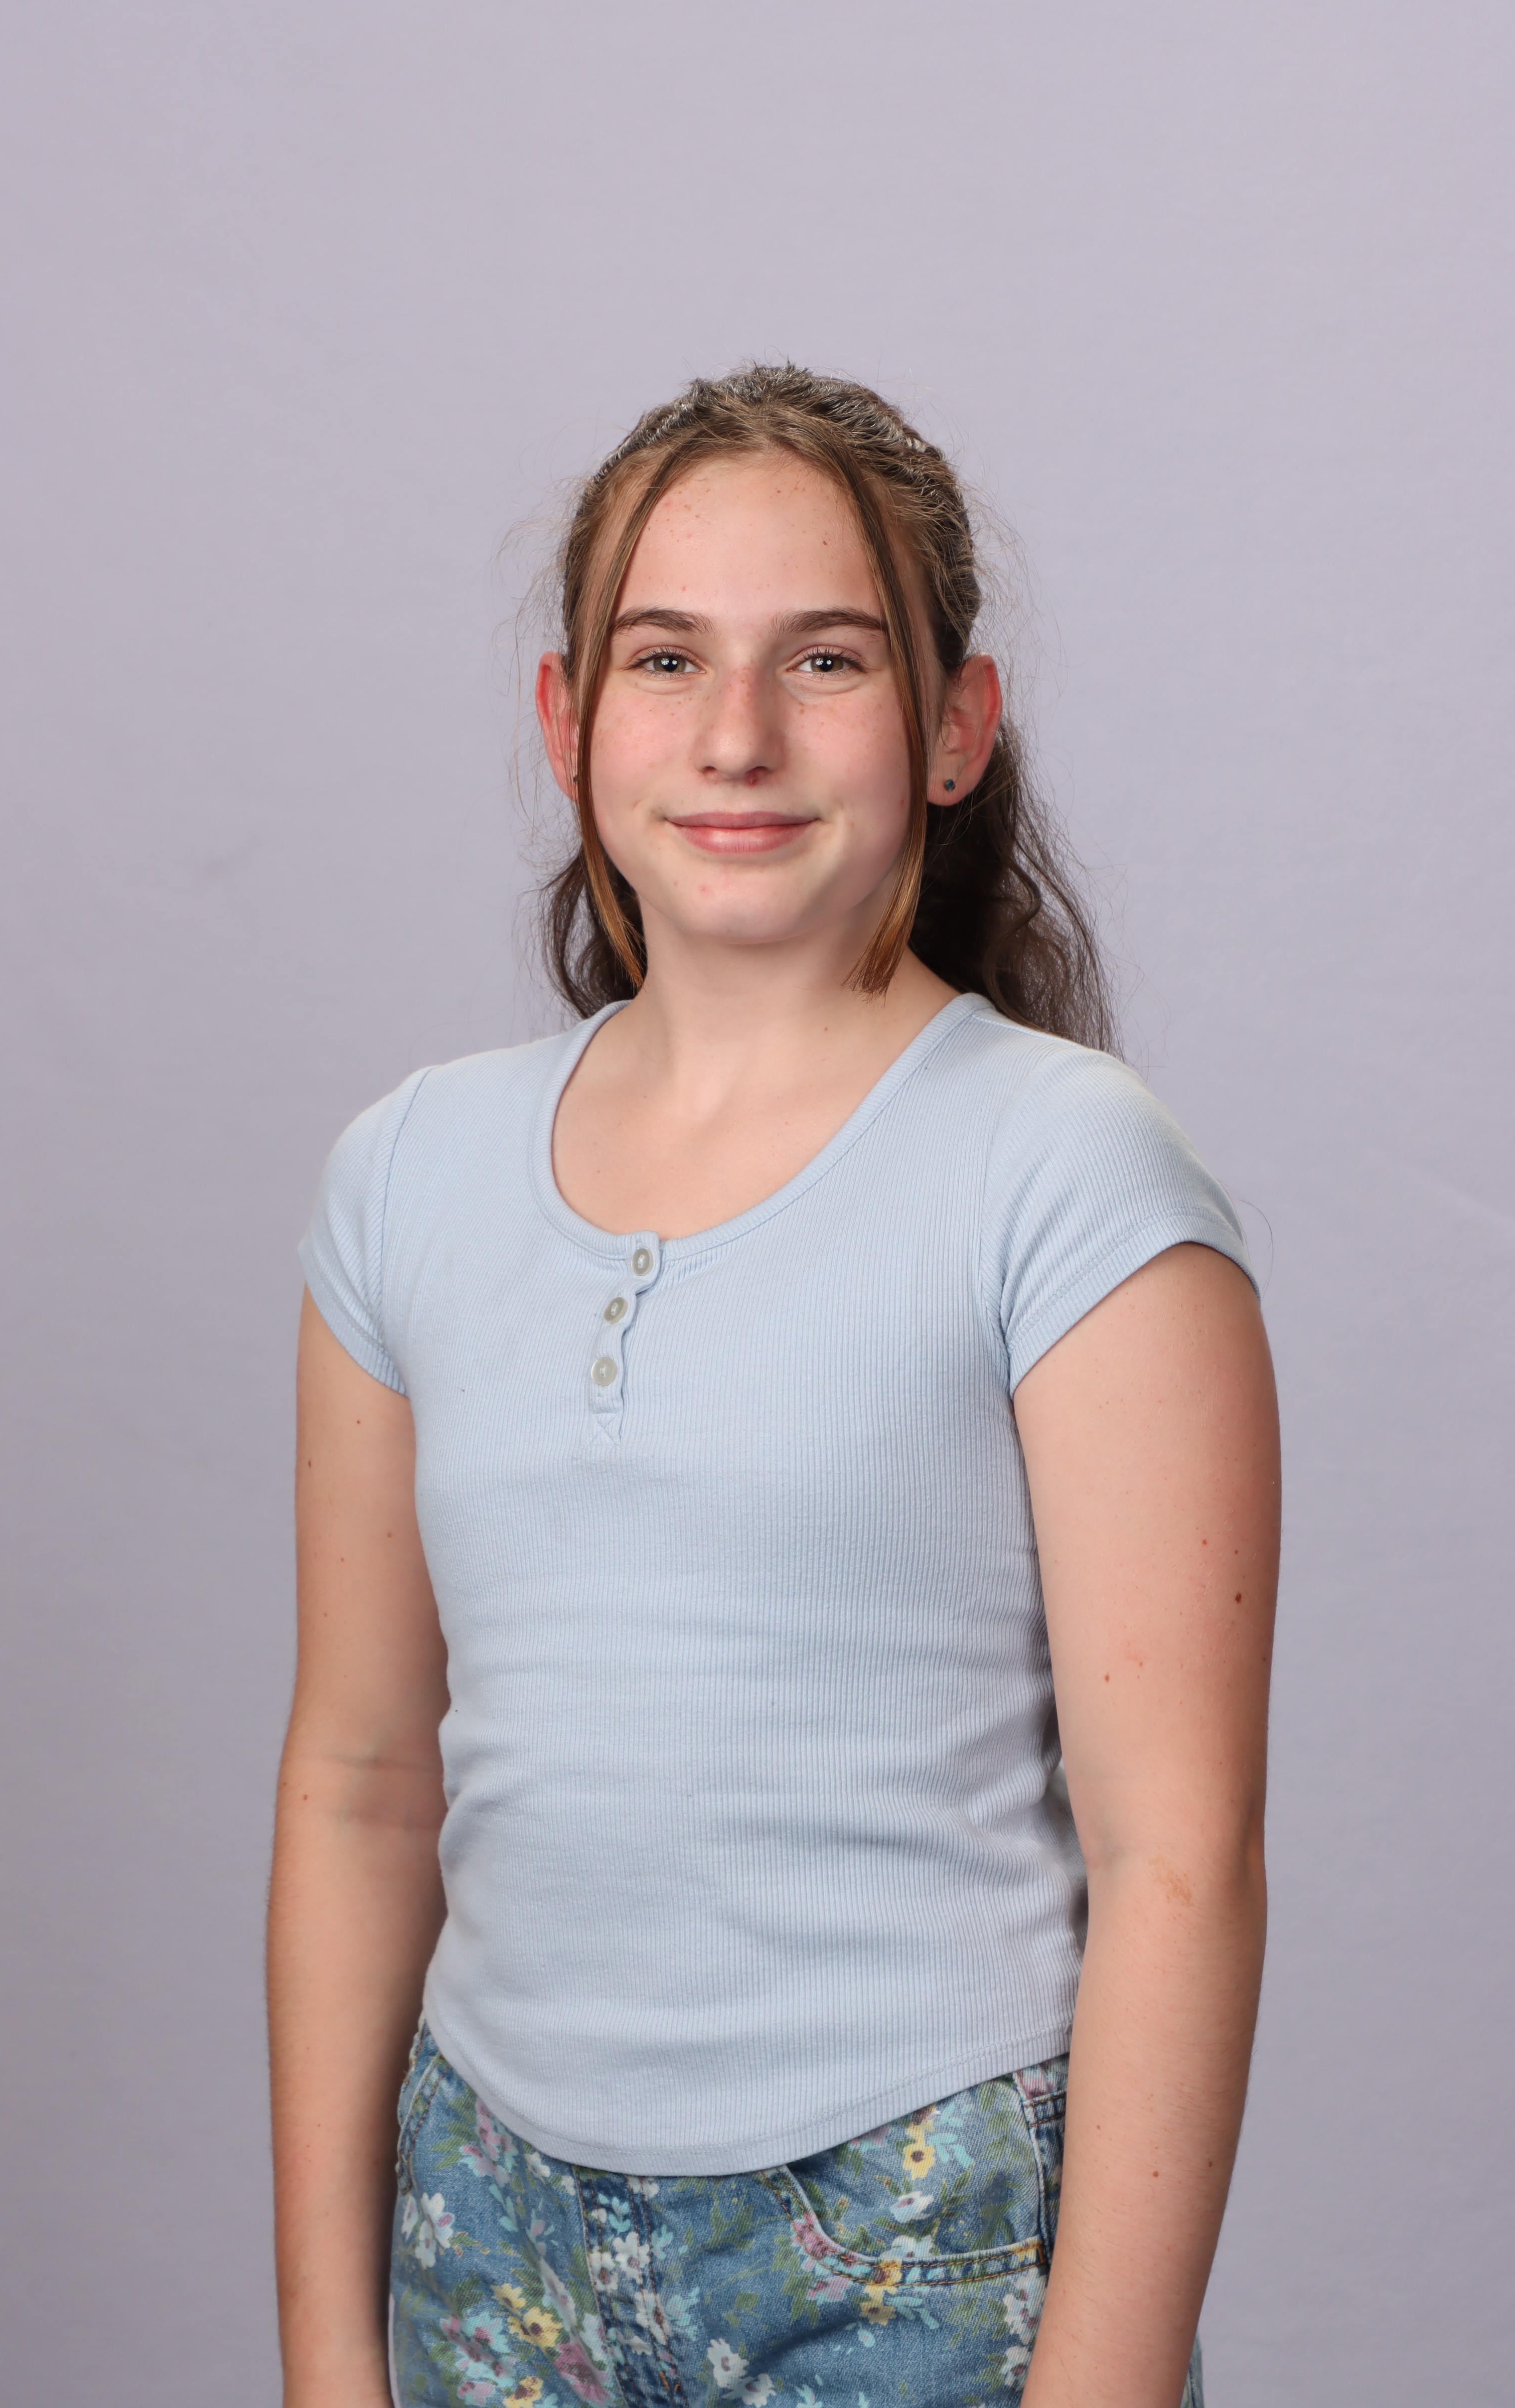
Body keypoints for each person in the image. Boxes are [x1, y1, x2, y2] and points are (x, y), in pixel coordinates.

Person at [268, 365, 1279, 2408]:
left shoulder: (1064, 1175)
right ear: (568, 721)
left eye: (824, 658)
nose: (737, 734)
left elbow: (1177, 1861)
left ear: (954, 727)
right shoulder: (406, 1176)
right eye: (666, 660)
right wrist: (326, 2356)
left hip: (921, 2242)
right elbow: (361, 1783)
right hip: (487, 2225)